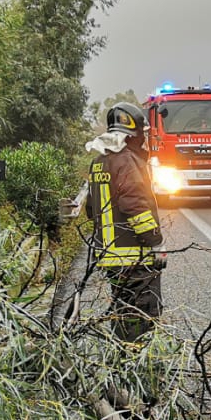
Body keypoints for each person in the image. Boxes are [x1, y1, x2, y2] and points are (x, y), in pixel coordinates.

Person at [84, 103, 164, 341]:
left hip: (110, 256)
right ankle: (137, 365)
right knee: (141, 315)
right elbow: (134, 205)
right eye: (143, 133)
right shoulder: (126, 161)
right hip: (133, 257)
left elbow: (91, 209)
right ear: (134, 134)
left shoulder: (99, 161)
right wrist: (155, 242)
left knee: (122, 311)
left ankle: (122, 360)